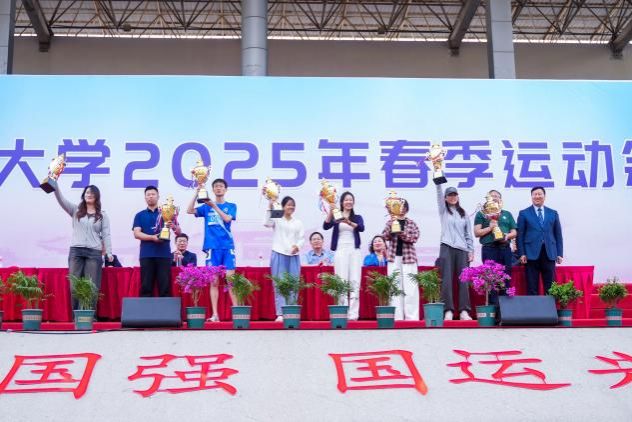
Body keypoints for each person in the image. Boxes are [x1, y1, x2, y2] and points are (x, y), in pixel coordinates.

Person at [53, 184, 112, 310]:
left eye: (92, 193)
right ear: (83, 195)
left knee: (91, 285)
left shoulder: (102, 215)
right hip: (76, 251)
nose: (89, 195)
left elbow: (106, 234)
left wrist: (109, 252)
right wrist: (55, 185)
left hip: (94, 252)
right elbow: (61, 199)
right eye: (87, 193)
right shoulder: (75, 210)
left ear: (97, 196)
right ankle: (77, 316)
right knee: (74, 285)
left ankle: (89, 315)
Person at [187, 178, 237, 322]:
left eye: (221, 186)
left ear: (225, 189)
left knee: (230, 281)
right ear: (213, 189)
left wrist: (214, 206)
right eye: (216, 186)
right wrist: (197, 193)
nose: (218, 188)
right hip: (212, 248)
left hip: (227, 247)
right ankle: (215, 315)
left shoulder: (231, 206)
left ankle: (237, 313)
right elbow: (189, 210)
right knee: (213, 282)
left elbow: (227, 219)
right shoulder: (205, 207)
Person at [133, 186, 181, 297]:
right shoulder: (140, 215)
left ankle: (166, 308)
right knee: (146, 287)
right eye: (148, 195)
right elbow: (137, 234)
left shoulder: (166, 212)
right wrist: (153, 237)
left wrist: (173, 225)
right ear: (145, 197)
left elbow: (179, 232)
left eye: (153, 194)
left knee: (165, 288)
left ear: (158, 196)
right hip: (146, 255)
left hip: (164, 255)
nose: (151, 196)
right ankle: (146, 308)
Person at [323, 192, 365, 320]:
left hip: (354, 250)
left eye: (350, 200)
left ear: (353, 202)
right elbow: (325, 226)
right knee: (341, 280)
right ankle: (343, 310)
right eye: (346, 200)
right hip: (340, 249)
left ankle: (353, 313)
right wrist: (331, 211)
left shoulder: (357, 217)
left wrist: (348, 222)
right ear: (341, 202)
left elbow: (361, 228)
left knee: (354, 280)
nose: (348, 202)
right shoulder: (337, 215)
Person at [436, 184, 474, 321]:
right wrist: (438, 182)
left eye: (454, 195)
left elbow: (468, 233)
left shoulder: (464, 213)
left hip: (462, 249)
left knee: (464, 280)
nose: (452, 197)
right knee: (446, 280)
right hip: (446, 247)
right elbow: (438, 194)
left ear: (458, 197)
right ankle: (448, 310)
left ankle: (464, 310)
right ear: (445, 198)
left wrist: (471, 250)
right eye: (450, 195)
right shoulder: (443, 211)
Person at [517, 186, 564, 296]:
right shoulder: (524, 213)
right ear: (531, 196)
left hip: (549, 253)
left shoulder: (553, 213)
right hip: (530, 254)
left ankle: (550, 307)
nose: (537, 196)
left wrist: (559, 253)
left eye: (540, 194)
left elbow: (558, 235)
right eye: (535, 194)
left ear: (544, 196)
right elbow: (520, 235)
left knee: (551, 287)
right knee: (532, 286)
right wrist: (522, 253)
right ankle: (533, 307)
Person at [473, 189, 517, 305]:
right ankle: (493, 309)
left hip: (505, 249)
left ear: (500, 200)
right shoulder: (482, 214)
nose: (494, 198)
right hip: (489, 250)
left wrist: (507, 236)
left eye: (497, 196)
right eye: (492, 196)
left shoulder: (507, 214)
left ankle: (505, 310)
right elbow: (477, 232)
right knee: (491, 279)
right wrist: (490, 227)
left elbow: (514, 232)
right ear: (488, 199)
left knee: (506, 278)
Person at [264, 196, 304, 322]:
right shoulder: (278, 216)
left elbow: (301, 238)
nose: (291, 207)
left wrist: (297, 246)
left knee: (293, 284)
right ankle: (280, 313)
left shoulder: (298, 222)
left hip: (293, 255)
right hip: (279, 253)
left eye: (293, 205)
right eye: (288, 204)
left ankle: (291, 311)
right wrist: (270, 206)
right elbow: (267, 223)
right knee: (280, 284)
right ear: (282, 206)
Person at [381, 199, 420, 321]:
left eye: (403, 206)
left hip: (409, 258)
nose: (401, 208)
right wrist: (392, 225)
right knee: (395, 288)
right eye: (398, 206)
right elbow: (385, 236)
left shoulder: (412, 223)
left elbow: (413, 238)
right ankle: (397, 317)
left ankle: (412, 318)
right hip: (393, 258)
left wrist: (400, 232)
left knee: (411, 288)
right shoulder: (390, 222)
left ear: (406, 209)